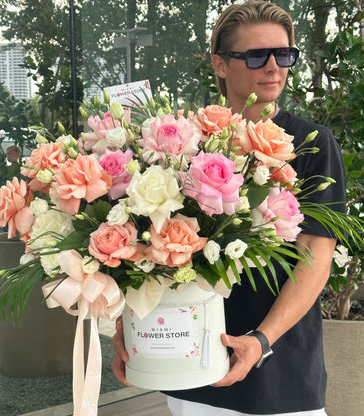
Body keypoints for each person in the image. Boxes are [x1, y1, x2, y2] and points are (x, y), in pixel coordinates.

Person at [112, 2, 346, 415]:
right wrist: (125, 330)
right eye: (257, 55)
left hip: (280, 375)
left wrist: (261, 341)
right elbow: (141, 250)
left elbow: (316, 259)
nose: (274, 66)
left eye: (284, 54)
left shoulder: (311, 144)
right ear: (220, 65)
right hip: (189, 365)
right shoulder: (182, 141)